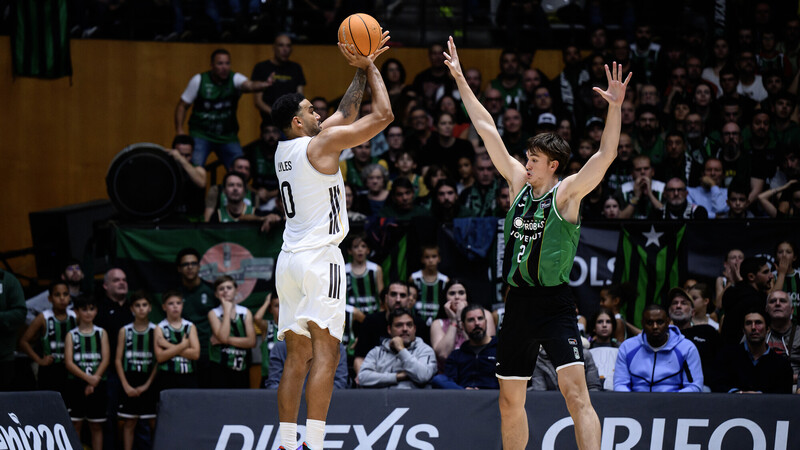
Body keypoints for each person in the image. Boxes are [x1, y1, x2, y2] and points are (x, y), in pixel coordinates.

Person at [444, 37, 630, 450]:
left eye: (533, 159)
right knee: (510, 401)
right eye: (526, 157)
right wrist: (459, 78)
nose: (525, 163)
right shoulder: (517, 184)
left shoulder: (567, 194)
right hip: (519, 302)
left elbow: (605, 155)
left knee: (576, 394)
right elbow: (486, 128)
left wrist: (614, 108)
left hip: (555, 303)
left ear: (553, 165)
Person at [270, 33, 392, 450]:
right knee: (328, 355)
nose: (318, 112)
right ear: (297, 122)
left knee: (297, 357)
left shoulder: (285, 150)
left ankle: (288, 444)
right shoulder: (320, 145)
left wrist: (359, 70)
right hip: (321, 260)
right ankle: (315, 444)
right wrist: (372, 67)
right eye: (309, 109)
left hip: (288, 261)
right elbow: (384, 115)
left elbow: (345, 111)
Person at [174, 49, 273, 168]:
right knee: (194, 169)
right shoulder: (199, 80)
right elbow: (182, 105)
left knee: (241, 166)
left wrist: (265, 84)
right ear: (212, 65)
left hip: (227, 136)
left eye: (227, 63)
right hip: (201, 134)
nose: (224, 67)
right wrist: (179, 130)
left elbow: (250, 85)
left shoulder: (235, 78)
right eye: (220, 63)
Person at [614, 304, 704, 393]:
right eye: (649, 323)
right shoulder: (628, 347)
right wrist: (633, 400)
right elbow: (620, 384)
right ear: (642, 323)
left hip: (674, 399)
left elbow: (694, 386)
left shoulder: (686, 348)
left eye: (660, 322)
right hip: (636, 399)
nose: (655, 327)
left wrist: (671, 399)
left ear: (668, 322)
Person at [64, 295, 110, 450]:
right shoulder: (71, 335)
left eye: (92, 309)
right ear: (76, 312)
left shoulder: (101, 333)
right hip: (76, 384)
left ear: (96, 311)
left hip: (98, 383)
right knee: (75, 424)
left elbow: (106, 359)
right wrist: (88, 379)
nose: (88, 313)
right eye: (84, 309)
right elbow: (69, 362)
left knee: (96, 425)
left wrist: (94, 380)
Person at [712, 309, 793, 393]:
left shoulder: (781, 364)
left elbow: (784, 394)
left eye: (758, 323)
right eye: (748, 323)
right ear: (743, 330)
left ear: (768, 329)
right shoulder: (726, 356)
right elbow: (717, 384)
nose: (753, 327)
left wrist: (760, 396)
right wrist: (738, 393)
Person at [115, 292, 157, 450]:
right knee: (129, 422)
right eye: (137, 305)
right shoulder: (124, 331)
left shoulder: (156, 330)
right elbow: (118, 360)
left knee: (153, 423)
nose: (141, 309)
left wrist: (147, 385)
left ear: (150, 308)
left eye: (144, 305)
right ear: (132, 309)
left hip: (149, 382)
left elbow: (158, 361)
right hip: (129, 381)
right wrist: (125, 385)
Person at [18, 280, 76, 394]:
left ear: (70, 296)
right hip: (50, 369)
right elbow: (24, 341)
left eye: (65, 294)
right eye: (57, 295)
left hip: (72, 369)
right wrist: (39, 360)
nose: (62, 298)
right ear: (50, 298)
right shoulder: (43, 317)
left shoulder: (75, 316)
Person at [357, 307, 437, 389]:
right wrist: (397, 376)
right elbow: (362, 378)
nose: (405, 329)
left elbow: (423, 376)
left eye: (409, 325)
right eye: (399, 325)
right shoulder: (377, 352)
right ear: (389, 329)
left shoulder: (425, 350)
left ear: (414, 329)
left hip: (413, 396)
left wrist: (401, 350)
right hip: (382, 396)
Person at [429, 280, 495, 371]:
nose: (457, 297)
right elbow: (444, 355)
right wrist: (454, 321)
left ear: (467, 296)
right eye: (452, 293)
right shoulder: (437, 323)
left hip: (479, 370)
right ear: (445, 298)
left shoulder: (484, 315)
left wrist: (462, 318)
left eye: (461, 293)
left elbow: (484, 350)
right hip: (449, 374)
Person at [173, 247, 215, 387]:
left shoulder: (210, 290)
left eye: (193, 263)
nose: (190, 267)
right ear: (179, 269)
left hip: (207, 351)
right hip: (183, 350)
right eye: (185, 264)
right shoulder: (175, 294)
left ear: (199, 266)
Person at [432, 304, 499, 390]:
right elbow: (447, 382)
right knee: (438, 379)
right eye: (471, 320)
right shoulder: (456, 355)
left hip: (493, 396)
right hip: (464, 395)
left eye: (480, 318)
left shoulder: (501, 350)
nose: (477, 323)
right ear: (463, 326)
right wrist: (465, 392)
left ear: (486, 322)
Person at [668, 287, 721, 390]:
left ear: (693, 312)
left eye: (684, 303)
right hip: (669, 387)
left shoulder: (707, 332)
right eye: (674, 303)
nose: (678, 306)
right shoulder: (663, 336)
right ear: (669, 311)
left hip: (702, 388)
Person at [208, 275, 256, 388]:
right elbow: (223, 337)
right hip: (220, 367)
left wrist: (224, 340)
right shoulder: (213, 313)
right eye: (221, 289)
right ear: (216, 294)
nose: (225, 291)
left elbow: (251, 342)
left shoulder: (245, 312)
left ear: (236, 291)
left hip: (242, 366)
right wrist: (227, 310)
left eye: (229, 288)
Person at [252, 34, 306, 126]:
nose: (285, 49)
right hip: (269, 122)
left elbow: (300, 97)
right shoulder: (261, 67)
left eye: (288, 46)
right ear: (274, 47)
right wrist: (276, 115)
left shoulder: (296, 68)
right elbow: (258, 101)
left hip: (291, 122)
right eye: (281, 45)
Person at [721, 256, 774, 345]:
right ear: (751, 277)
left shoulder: (732, 292)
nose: (771, 276)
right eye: (765, 272)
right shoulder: (754, 301)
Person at [155, 291, 200, 390]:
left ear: (182, 305)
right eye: (171, 303)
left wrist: (168, 345)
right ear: (164, 307)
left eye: (178, 303)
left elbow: (195, 354)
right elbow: (160, 357)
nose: (175, 306)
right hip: (167, 376)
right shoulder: (159, 328)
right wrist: (183, 346)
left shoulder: (190, 326)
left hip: (188, 375)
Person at [764, 290, 800, 384]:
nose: (777, 304)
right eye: (773, 301)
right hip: (761, 386)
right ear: (766, 309)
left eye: (783, 301)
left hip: (795, 385)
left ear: (792, 309)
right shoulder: (756, 331)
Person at [531, 346, 602, 392]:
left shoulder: (584, 355)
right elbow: (540, 393)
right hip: (552, 404)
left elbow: (593, 388)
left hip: (581, 403)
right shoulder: (539, 359)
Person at [409, 245, 449, 326]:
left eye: (434, 256)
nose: (430, 260)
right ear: (422, 259)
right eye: (427, 257)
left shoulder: (445, 281)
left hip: (438, 323)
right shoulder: (414, 278)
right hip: (416, 321)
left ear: (439, 258)